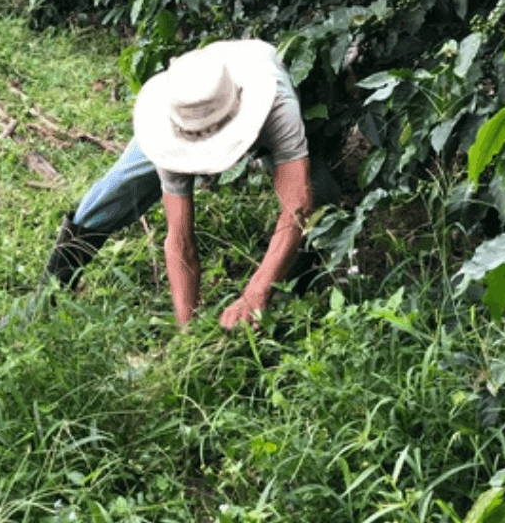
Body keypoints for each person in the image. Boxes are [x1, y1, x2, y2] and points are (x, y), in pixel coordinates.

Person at [44, 39, 332, 330]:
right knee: (113, 193)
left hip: (255, 105)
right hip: (188, 117)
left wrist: (255, 292)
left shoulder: (276, 103)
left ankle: (288, 298)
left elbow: (296, 207)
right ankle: (46, 296)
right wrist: (189, 332)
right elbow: (180, 241)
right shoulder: (173, 125)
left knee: (319, 194)